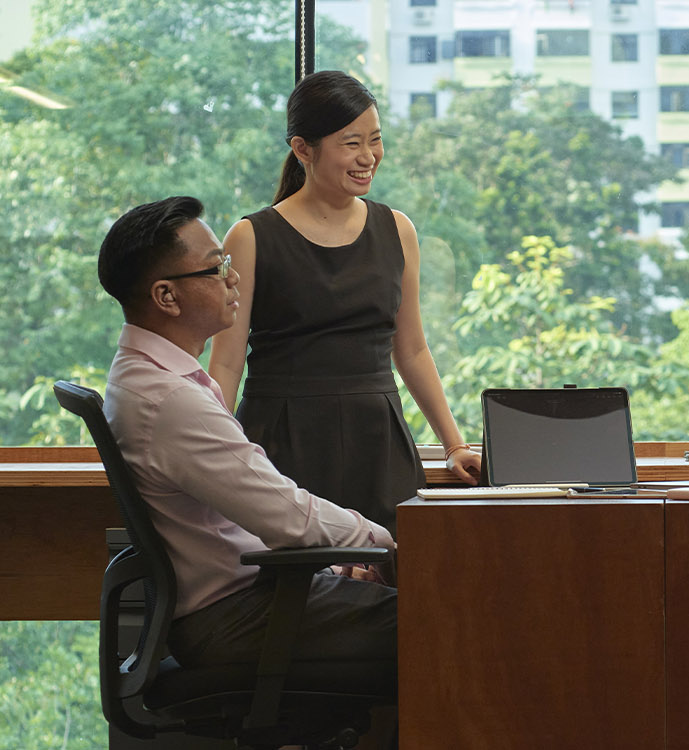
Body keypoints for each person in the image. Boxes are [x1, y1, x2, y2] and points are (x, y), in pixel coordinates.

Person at [96, 196, 396, 714]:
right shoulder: (170, 399)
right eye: (218, 268)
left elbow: (256, 517)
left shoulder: (150, 377)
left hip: (242, 601)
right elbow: (287, 517)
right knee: (452, 620)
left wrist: (335, 566)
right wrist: (385, 543)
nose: (234, 279)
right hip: (235, 617)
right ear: (166, 296)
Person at [207, 71, 481, 533]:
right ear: (302, 149)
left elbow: (411, 349)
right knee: (293, 590)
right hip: (281, 439)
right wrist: (215, 455)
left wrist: (454, 445)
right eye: (351, 143)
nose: (369, 156)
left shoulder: (398, 230)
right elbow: (227, 363)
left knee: (392, 587)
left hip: (377, 442)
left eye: (375, 140)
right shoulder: (251, 236)